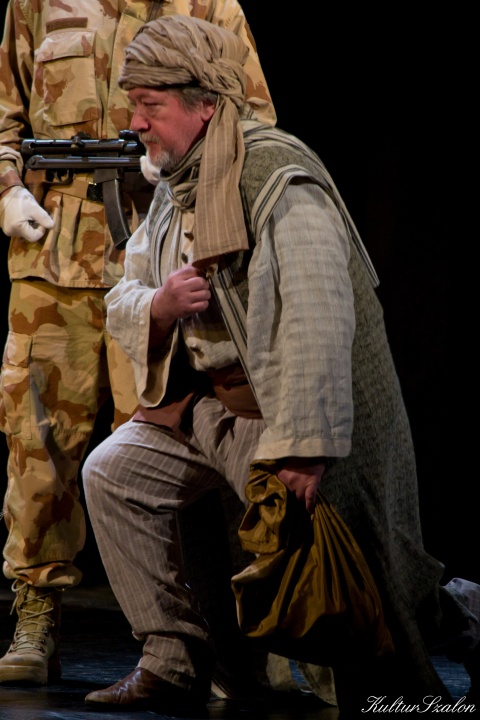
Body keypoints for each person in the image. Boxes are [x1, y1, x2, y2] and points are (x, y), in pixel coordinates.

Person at [80, 14, 479, 716]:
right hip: (208, 408)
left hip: (280, 420)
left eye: (151, 105)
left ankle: (469, 617)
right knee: (112, 474)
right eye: (133, 103)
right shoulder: (176, 183)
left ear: (205, 104)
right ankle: (171, 658)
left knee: (367, 587)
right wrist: (161, 305)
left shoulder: (275, 177)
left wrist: (305, 445)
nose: (135, 122)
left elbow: (319, 318)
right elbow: (125, 290)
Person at [0, 0, 276, 687]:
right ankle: (36, 610)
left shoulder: (210, 8)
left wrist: (190, 168)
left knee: (166, 443)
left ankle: (202, 633)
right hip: (53, 262)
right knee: (37, 441)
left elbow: (255, 125)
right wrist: (7, 189)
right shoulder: (37, 3)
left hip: (169, 255)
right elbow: (4, 115)